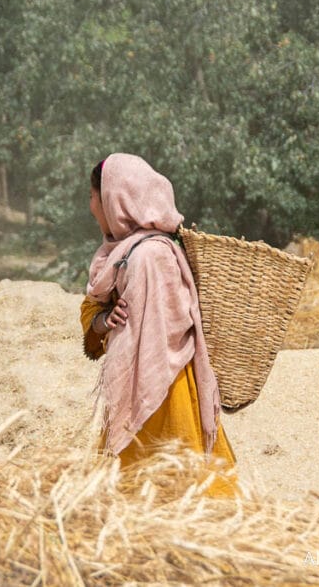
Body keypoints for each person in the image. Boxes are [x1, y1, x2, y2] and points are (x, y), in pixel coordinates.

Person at [79, 153, 236, 496]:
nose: (91, 207)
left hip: (167, 385)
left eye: (93, 196)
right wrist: (105, 321)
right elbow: (93, 309)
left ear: (115, 200)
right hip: (136, 383)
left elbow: (162, 332)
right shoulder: (119, 253)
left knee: (175, 481)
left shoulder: (152, 255)